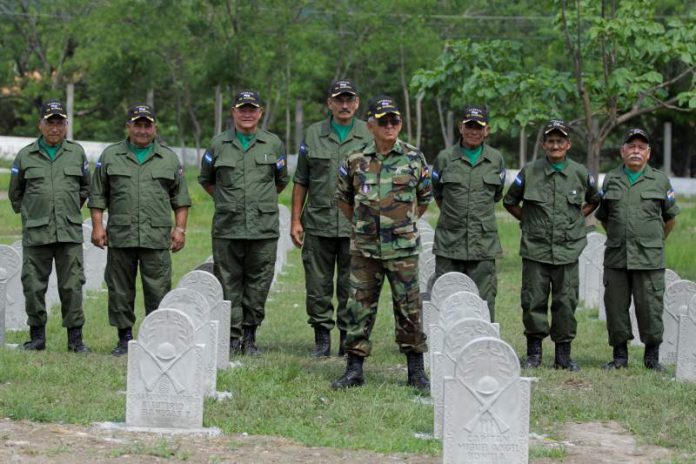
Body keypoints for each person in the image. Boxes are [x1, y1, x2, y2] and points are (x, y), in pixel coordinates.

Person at [331, 96, 432, 392]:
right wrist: (367, 228)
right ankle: (354, 369)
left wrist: (399, 225)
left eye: (395, 120)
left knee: (409, 309)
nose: (390, 126)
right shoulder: (355, 159)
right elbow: (344, 200)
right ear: (370, 124)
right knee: (358, 308)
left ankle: (415, 371)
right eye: (384, 121)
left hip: (403, 250)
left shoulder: (414, 157)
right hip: (365, 249)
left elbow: (424, 199)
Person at [89, 104, 191, 356]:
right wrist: (97, 226)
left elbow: (180, 199)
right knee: (120, 288)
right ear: (129, 126)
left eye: (148, 125)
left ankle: (155, 336)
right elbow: (98, 196)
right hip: (121, 236)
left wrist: (180, 229)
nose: (143, 130)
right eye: (138, 124)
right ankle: (124, 338)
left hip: (156, 237)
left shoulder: (168, 158)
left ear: (155, 128)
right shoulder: (111, 156)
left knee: (158, 289)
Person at [503, 119, 600, 371]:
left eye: (560, 141)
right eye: (550, 140)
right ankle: (534, 353)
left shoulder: (580, 173)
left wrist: (578, 217)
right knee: (533, 301)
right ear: (544, 144)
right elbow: (510, 201)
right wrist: (529, 220)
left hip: (568, 250)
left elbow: (594, 199)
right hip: (536, 249)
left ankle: (563, 356)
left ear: (568, 144)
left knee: (565, 303)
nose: (555, 145)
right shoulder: (530, 172)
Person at [198, 90, 289, 356]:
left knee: (259, 282)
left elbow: (280, 180)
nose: (247, 113)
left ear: (260, 112)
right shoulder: (218, 144)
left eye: (252, 109)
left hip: (263, 228)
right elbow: (206, 180)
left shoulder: (272, 144)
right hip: (228, 227)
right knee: (228, 282)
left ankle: (250, 335)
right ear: (234, 112)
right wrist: (227, 201)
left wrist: (258, 203)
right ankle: (231, 336)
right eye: (242, 109)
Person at [291, 80, 372, 358]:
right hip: (318, 222)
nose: (345, 105)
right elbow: (301, 180)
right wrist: (295, 221)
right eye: (339, 100)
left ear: (357, 103)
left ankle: (346, 340)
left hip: (356, 226)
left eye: (350, 99)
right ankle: (322, 339)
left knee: (353, 286)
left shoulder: (369, 134)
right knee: (317, 285)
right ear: (330, 103)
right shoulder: (314, 134)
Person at [8, 99, 90, 352]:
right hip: (37, 232)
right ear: (40, 125)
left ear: (66, 125)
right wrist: (36, 212)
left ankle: (75, 341)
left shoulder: (77, 153)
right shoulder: (25, 155)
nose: (55, 128)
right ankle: (37, 337)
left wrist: (65, 210)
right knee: (33, 285)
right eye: (50, 122)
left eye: (59, 123)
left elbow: (85, 188)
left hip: (69, 232)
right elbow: (16, 194)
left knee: (72, 286)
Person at [596, 128, 679, 371]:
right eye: (631, 146)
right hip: (617, 256)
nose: (635, 151)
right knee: (615, 307)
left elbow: (670, 218)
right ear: (622, 151)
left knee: (650, 307)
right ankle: (620, 356)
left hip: (649, 258)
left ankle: (651, 357)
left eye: (641, 147)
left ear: (648, 153)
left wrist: (654, 240)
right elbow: (605, 217)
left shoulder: (660, 180)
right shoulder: (611, 179)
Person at [431, 105, 505, 321]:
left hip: (482, 243)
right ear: (460, 127)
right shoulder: (445, 158)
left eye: (479, 127)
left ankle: (484, 346)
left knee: (484, 299)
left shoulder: (496, 159)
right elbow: (438, 193)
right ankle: (446, 346)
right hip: (449, 243)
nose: (474, 131)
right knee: (446, 297)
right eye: (470, 126)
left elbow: (496, 194)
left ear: (487, 130)